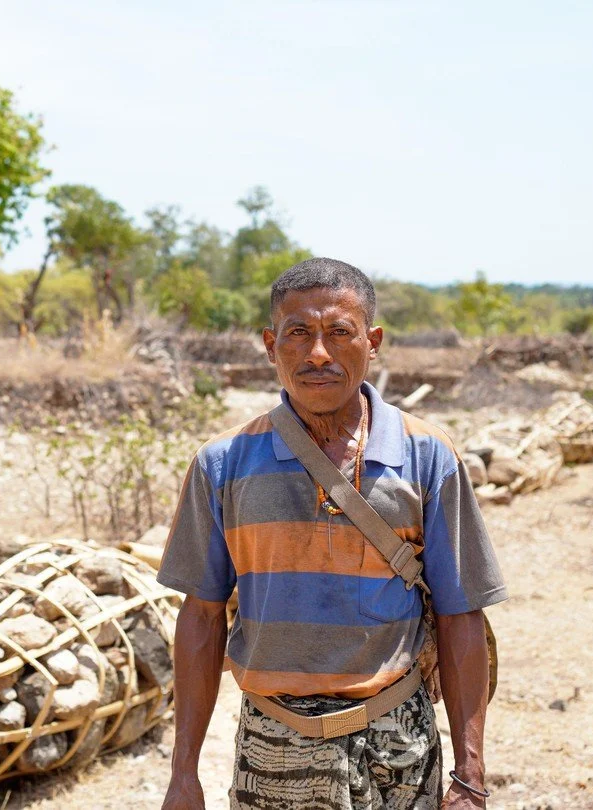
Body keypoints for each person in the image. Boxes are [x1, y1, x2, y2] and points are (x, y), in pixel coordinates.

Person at [157, 257, 506, 809]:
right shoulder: (221, 465)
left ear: (373, 342)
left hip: (401, 746)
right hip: (271, 749)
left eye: (339, 333)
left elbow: (463, 615)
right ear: (271, 345)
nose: (318, 353)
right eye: (298, 334)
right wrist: (183, 775)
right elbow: (200, 616)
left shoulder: (427, 457)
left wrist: (470, 775)